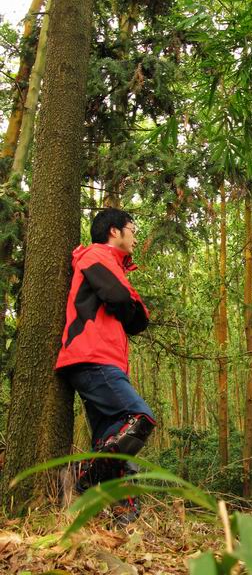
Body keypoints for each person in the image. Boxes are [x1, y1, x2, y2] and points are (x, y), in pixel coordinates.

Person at [55, 208, 155, 523]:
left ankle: (124, 522)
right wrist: (133, 306)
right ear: (114, 231)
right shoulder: (95, 256)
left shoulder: (109, 264)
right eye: (132, 229)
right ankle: (80, 475)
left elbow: (135, 319)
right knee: (139, 419)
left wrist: (132, 308)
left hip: (101, 360)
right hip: (92, 358)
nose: (136, 237)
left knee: (111, 441)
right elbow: (124, 303)